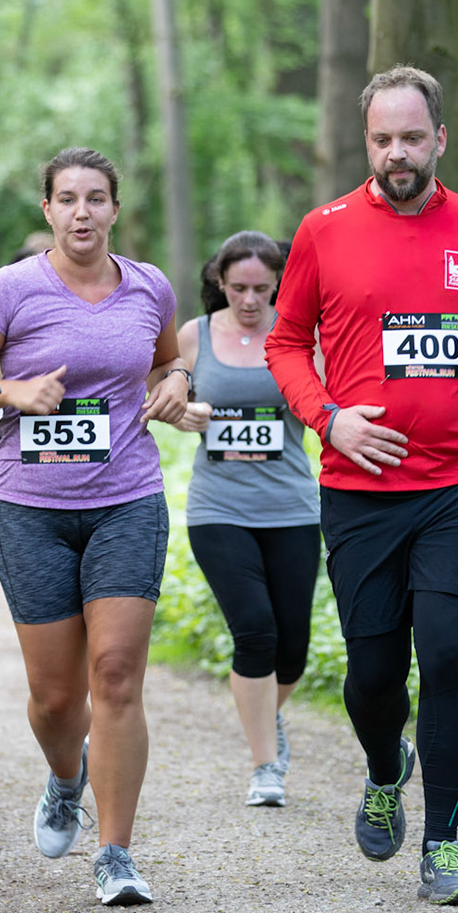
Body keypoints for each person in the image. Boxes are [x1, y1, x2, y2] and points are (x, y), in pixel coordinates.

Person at [266, 65, 458, 906]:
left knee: (450, 653)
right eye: (382, 139)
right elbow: (284, 343)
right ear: (368, 143)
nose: (397, 154)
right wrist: (329, 417)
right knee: (373, 673)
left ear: (441, 139)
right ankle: (387, 767)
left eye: (412, 138)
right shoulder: (324, 228)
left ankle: (445, 843)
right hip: (360, 487)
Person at [0, 147, 191, 906]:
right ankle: (67, 777)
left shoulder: (148, 287)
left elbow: (167, 364)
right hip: (31, 509)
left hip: (126, 498)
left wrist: (177, 385)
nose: (83, 213)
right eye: (67, 199)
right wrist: (11, 392)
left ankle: (116, 851)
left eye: (96, 199)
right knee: (56, 696)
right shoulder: (11, 290)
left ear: (115, 210)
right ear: (48, 211)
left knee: (118, 675)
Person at [171, 231, 320, 807]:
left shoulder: (299, 333)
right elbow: (160, 398)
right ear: (218, 283)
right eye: (238, 288)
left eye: (262, 288)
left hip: (290, 506)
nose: (250, 300)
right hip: (219, 508)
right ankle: (265, 765)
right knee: (255, 630)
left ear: (279, 285)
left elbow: (328, 401)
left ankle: (266, 719)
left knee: (293, 651)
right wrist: (183, 413)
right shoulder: (196, 335)